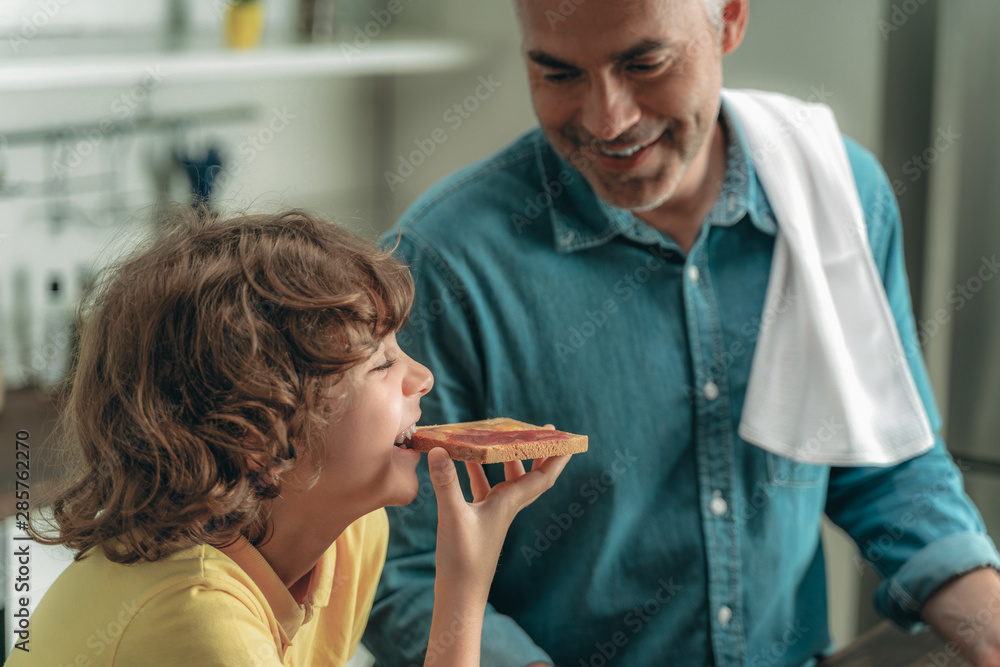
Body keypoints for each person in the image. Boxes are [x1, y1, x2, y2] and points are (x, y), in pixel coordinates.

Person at [362, 1, 1000, 666]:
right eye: (558, 74)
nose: (607, 119)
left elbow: (884, 454)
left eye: (645, 63)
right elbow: (402, 568)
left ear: (727, 19)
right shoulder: (441, 266)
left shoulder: (840, 196)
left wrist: (985, 616)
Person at [10, 207, 571, 667]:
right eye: (380, 365)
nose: (422, 378)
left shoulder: (352, 538)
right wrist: (464, 584)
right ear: (261, 439)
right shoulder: (197, 625)